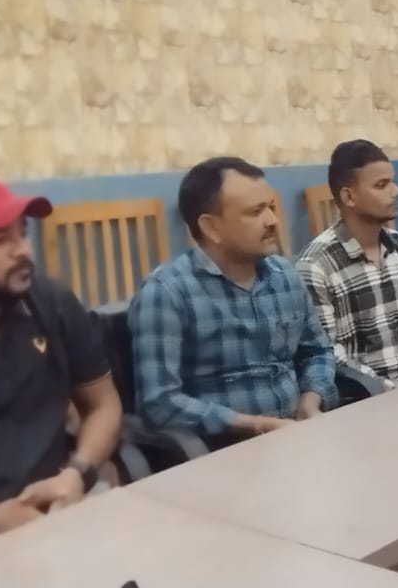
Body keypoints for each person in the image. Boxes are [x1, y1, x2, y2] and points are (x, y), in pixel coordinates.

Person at [0, 171, 121, 553]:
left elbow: (103, 404)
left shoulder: (51, 302)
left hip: (56, 514)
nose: (23, 250)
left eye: (22, 233)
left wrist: (77, 473)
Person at [129, 157, 338, 448]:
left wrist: (311, 400)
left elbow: (317, 351)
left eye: (271, 207)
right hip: (223, 450)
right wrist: (256, 425)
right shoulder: (166, 292)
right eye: (255, 212)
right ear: (211, 227)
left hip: (298, 435)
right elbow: (160, 403)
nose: (273, 220)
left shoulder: (285, 276)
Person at [297, 140, 398, 388]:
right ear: (349, 197)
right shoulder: (316, 265)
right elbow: (329, 353)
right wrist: (389, 390)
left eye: (393, 181)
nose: (396, 191)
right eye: (381, 185)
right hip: (365, 395)